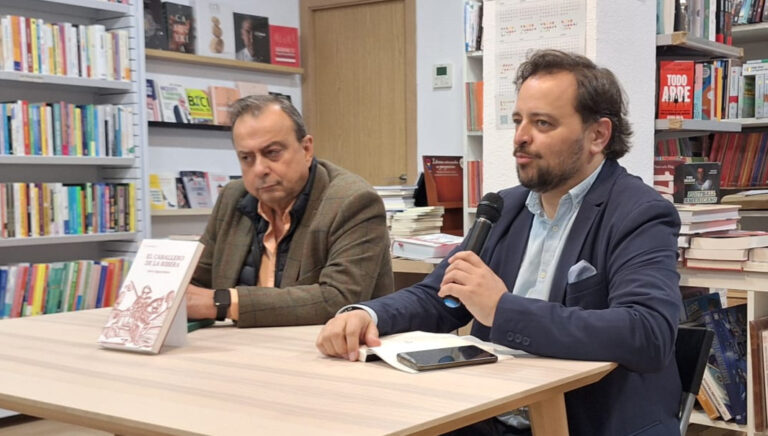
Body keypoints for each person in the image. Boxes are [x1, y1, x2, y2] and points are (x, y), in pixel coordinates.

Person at [316, 49, 682, 436]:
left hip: (583, 423)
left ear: (598, 135)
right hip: (491, 413)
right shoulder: (504, 208)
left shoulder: (639, 212)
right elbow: (439, 296)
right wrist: (366, 315)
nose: (521, 137)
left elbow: (648, 332)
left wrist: (501, 309)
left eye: (542, 123)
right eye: (518, 120)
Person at [186, 94, 394, 327]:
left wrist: (221, 303)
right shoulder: (233, 197)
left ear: (306, 149)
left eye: (272, 152)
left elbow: (339, 299)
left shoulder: (352, 201)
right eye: (246, 158)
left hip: (323, 346)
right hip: (237, 344)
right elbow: (192, 284)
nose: (259, 169)